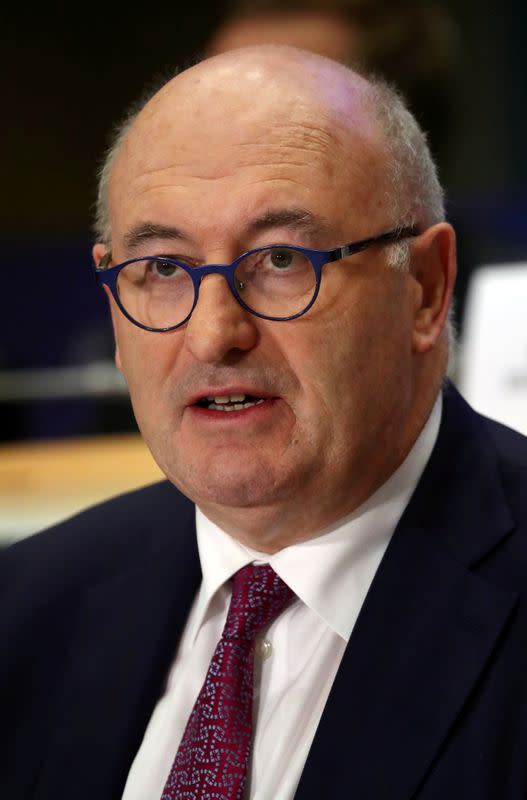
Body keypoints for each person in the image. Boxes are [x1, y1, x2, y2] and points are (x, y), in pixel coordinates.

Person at [2, 45, 527, 800]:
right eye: (162, 269)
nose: (214, 334)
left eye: (281, 260)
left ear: (423, 287)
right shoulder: (22, 610)